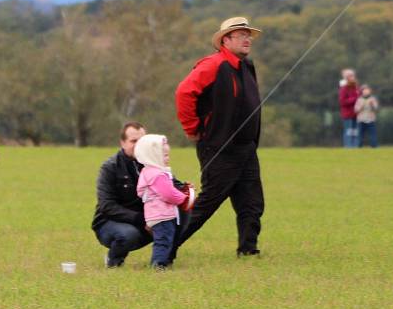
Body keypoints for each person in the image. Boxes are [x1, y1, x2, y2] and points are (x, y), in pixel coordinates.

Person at [174, 16, 265, 257]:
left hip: (245, 148)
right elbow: (184, 93)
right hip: (219, 149)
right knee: (207, 203)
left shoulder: (247, 66)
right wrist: (192, 129)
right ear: (226, 39)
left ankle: (248, 250)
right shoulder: (212, 65)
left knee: (252, 203)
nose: (248, 39)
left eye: (249, 35)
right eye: (241, 34)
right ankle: (166, 247)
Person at [92, 122, 152, 267]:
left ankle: (161, 262)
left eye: (142, 141)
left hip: (148, 222)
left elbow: (171, 186)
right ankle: (113, 262)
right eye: (133, 141)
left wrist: (184, 192)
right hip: (110, 223)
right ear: (123, 143)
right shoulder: (110, 168)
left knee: (181, 215)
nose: (138, 145)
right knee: (128, 235)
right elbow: (107, 206)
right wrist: (143, 220)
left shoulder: (153, 164)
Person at [134, 134, 192, 270]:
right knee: (163, 241)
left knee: (164, 240)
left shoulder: (148, 172)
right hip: (162, 216)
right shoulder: (157, 175)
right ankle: (158, 265)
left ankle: (162, 262)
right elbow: (169, 194)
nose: (168, 158)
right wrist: (184, 197)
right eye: (165, 155)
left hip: (157, 215)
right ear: (153, 157)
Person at [339, 68, 360, 148]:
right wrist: (355, 99)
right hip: (347, 114)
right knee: (348, 131)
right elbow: (342, 102)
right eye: (351, 76)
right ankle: (348, 146)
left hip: (356, 114)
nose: (353, 77)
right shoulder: (344, 88)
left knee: (355, 131)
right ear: (347, 77)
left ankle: (355, 146)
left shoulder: (356, 87)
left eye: (353, 76)